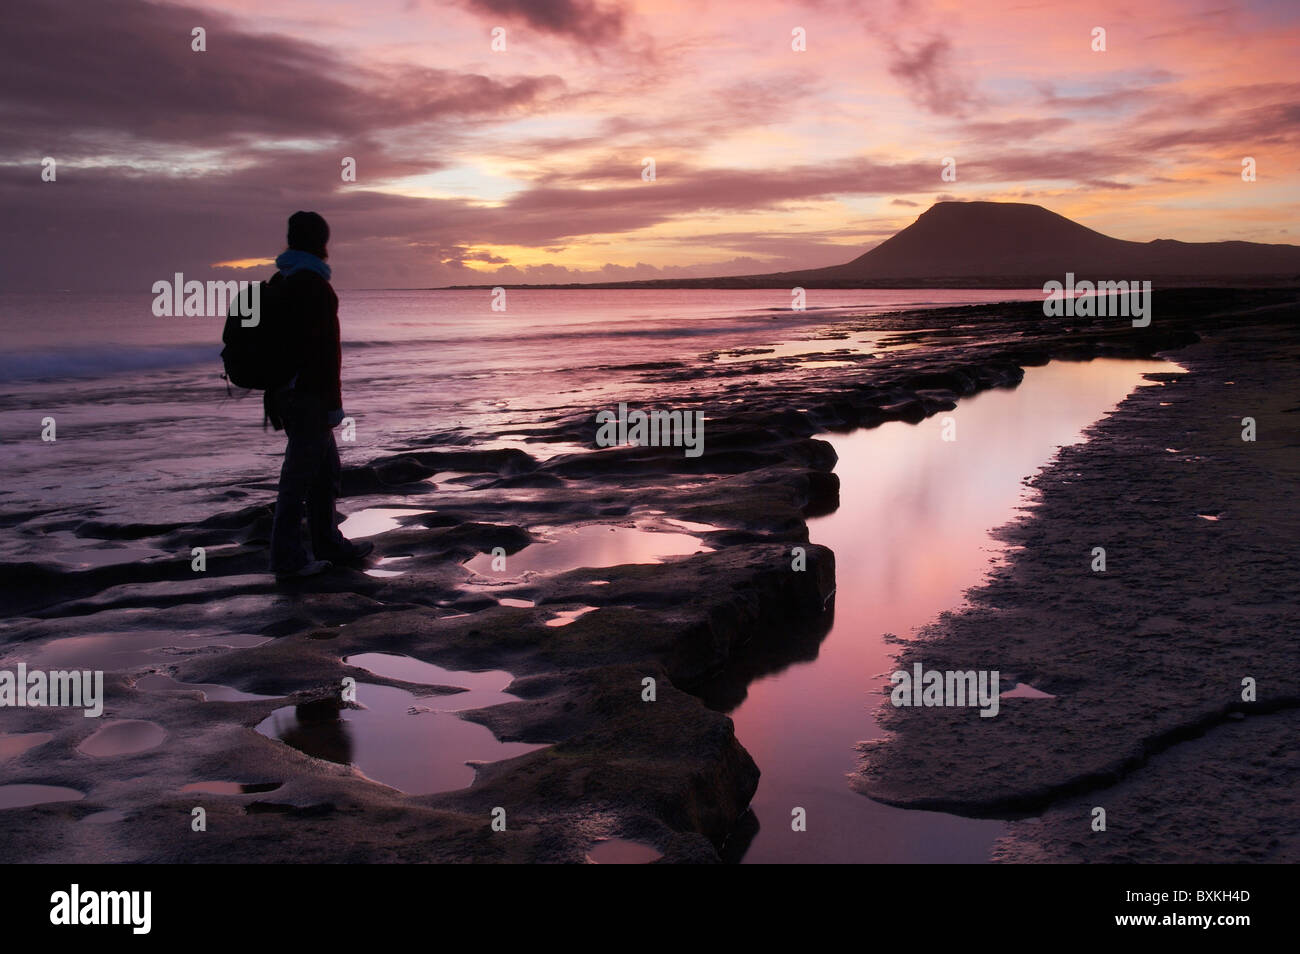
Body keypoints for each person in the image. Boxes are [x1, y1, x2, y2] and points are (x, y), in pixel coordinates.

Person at [267, 211, 373, 580]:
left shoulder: (281, 280)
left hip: (288, 393)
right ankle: (287, 559)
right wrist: (334, 404)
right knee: (297, 481)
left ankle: (328, 543)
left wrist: (273, 396)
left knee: (325, 473)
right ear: (321, 242)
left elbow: (278, 348)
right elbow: (324, 351)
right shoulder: (313, 285)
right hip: (310, 396)